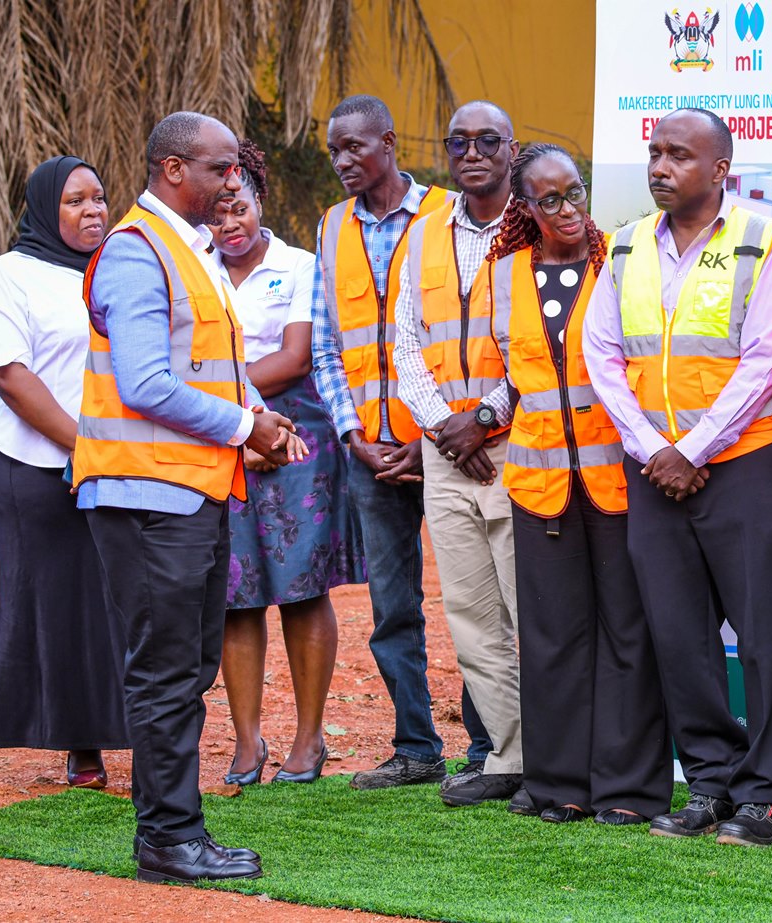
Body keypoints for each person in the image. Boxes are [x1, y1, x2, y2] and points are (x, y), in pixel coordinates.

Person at [76, 111, 303, 884]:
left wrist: (256, 420)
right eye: (220, 168)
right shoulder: (139, 253)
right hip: (147, 493)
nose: (233, 181)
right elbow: (145, 383)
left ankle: (168, 832)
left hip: (189, 490)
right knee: (167, 670)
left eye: (235, 168)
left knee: (185, 665)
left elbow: (204, 363)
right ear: (174, 170)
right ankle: (171, 839)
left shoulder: (191, 250)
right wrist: (245, 421)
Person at [584, 107, 772, 847]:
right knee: (680, 636)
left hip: (742, 465)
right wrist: (653, 448)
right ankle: (710, 779)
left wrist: (696, 447)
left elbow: (767, 358)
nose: (660, 167)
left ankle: (765, 793)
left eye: (679, 155)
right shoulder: (622, 246)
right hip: (655, 470)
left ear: (719, 169)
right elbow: (603, 354)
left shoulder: (761, 239)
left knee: (765, 635)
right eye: (654, 152)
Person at [484, 142, 672, 824]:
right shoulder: (502, 272)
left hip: (620, 484)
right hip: (539, 489)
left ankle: (627, 790)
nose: (569, 210)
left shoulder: (618, 260)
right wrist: (481, 414)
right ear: (525, 207)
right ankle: (559, 784)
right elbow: (501, 373)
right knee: (552, 636)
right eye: (551, 199)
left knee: (629, 633)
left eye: (576, 193)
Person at [310, 94, 492, 791]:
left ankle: (488, 748)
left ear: (388, 142)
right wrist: (353, 433)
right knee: (392, 606)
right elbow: (328, 347)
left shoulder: (449, 214)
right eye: (333, 152)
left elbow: (474, 335)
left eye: (354, 148)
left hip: (452, 446)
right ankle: (416, 746)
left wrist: (435, 433)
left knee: (477, 602)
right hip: (371, 456)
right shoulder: (330, 229)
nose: (342, 162)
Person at [0, 155, 129, 788]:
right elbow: (10, 375)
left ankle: (137, 729)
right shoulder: (8, 277)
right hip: (35, 468)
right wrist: (85, 444)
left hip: (120, 461)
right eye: (75, 202)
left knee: (116, 598)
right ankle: (80, 744)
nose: (93, 212)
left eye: (98, 199)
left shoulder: (121, 267)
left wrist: (113, 451)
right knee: (60, 602)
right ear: (44, 208)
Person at [212, 139, 362, 786]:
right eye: (216, 214)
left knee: (302, 588)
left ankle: (309, 739)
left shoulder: (300, 264)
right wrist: (239, 423)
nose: (229, 224)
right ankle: (247, 743)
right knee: (234, 595)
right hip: (221, 436)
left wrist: (232, 398)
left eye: (239, 207)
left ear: (259, 199)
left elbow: (297, 355)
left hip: (299, 434)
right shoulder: (197, 269)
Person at [392, 100, 524, 809]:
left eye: (487, 140)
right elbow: (404, 341)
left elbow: (543, 343)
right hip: (447, 451)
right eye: (459, 141)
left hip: (517, 447)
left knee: (529, 606)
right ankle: (508, 755)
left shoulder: (534, 230)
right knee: (470, 611)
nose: (472, 152)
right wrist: (447, 425)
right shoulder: (423, 235)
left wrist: (486, 418)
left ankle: (561, 754)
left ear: (513, 149)